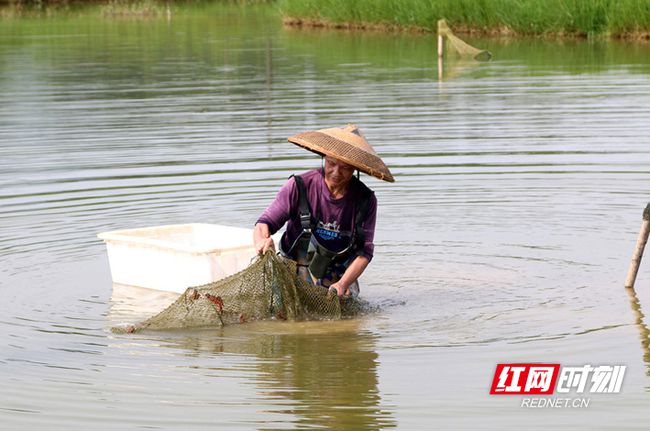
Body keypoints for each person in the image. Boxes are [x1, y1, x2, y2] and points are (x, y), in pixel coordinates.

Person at [253, 124, 394, 298]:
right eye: (331, 163)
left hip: (339, 276)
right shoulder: (299, 186)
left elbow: (365, 253)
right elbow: (264, 223)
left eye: (345, 168)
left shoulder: (366, 200)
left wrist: (343, 284)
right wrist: (262, 242)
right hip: (294, 269)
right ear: (323, 157)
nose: (336, 172)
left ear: (356, 168)